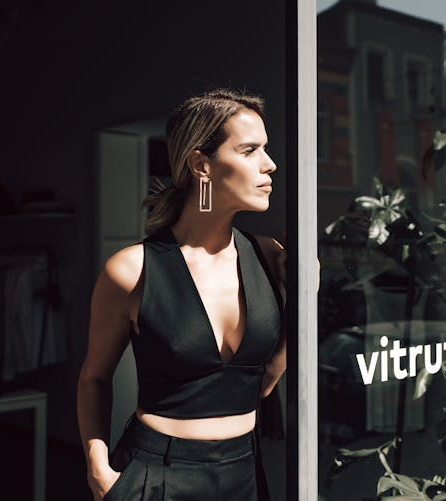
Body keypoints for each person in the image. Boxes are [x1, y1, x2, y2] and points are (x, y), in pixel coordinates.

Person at [77, 88, 286, 501]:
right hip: (157, 474)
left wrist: (302, 299)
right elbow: (94, 377)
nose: (270, 164)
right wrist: (98, 469)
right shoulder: (133, 269)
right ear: (200, 165)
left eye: (266, 148)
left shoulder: (268, 256)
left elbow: (261, 381)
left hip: (244, 470)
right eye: (249, 150)